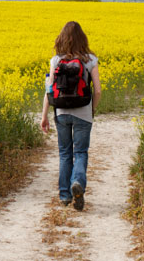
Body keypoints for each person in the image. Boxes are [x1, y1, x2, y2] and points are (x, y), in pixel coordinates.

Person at [40, 21, 101, 211]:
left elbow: (49, 90)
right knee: (80, 152)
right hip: (83, 111)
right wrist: (92, 110)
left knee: (65, 153)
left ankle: (65, 195)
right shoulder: (90, 59)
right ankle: (78, 183)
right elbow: (97, 91)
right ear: (83, 38)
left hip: (62, 112)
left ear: (62, 38)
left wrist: (44, 116)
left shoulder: (56, 60)